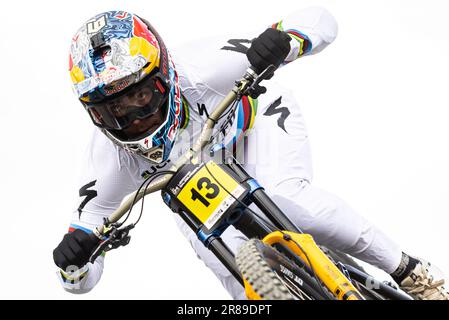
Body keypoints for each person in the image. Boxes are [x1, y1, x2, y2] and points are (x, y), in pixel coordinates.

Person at [53, 8, 448, 300]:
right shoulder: (107, 162)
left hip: (253, 127)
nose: (135, 119)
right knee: (228, 273)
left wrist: (290, 41)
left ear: (165, 74)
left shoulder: (207, 67)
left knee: (289, 198)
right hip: (186, 180)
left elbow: (322, 21)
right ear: (94, 115)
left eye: (141, 96)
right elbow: (80, 281)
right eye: (113, 112)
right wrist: (73, 262)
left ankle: (411, 272)